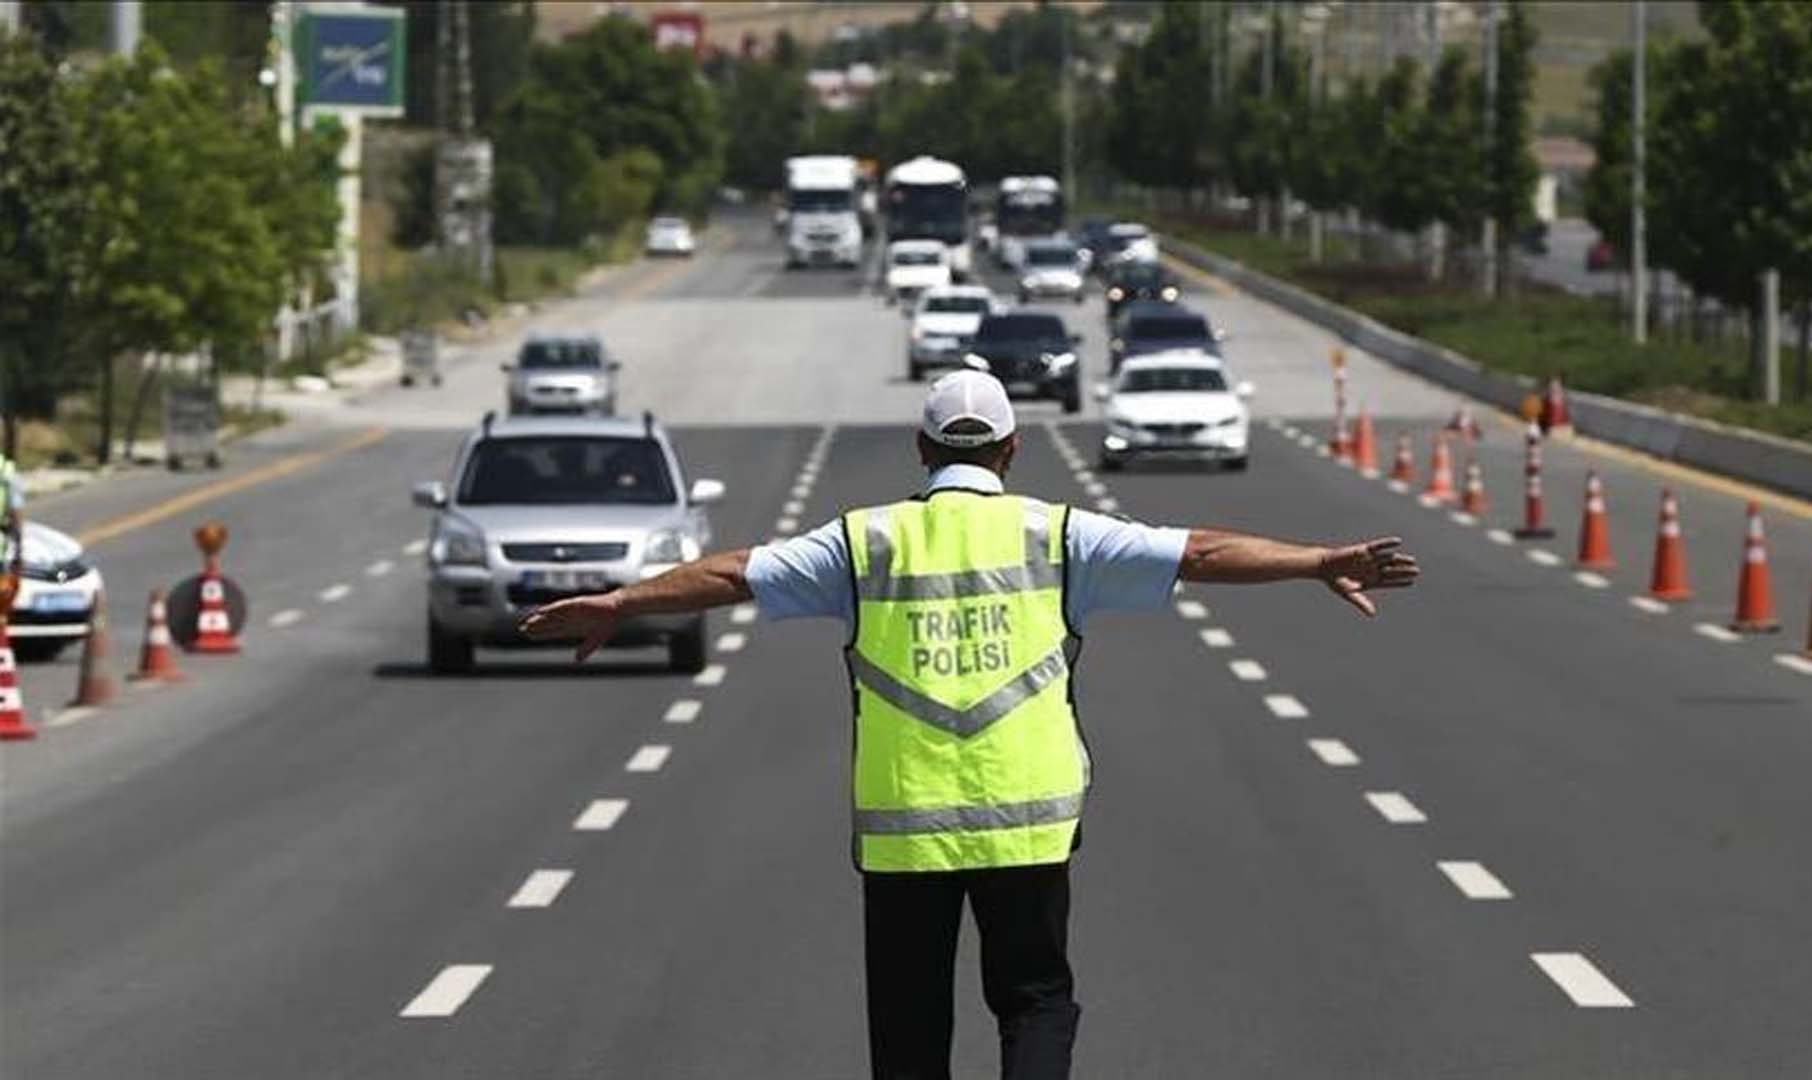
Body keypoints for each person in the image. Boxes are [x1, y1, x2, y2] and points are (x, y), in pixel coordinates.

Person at [520, 371, 1419, 1079]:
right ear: (1013, 449)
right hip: (1028, 820)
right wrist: (1316, 560)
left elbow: (729, 575)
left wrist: (621, 602)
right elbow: (1201, 552)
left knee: (910, 1031)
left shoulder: (863, 542)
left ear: (921, 448)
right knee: (1034, 1003)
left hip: (906, 831)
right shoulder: (1060, 535)